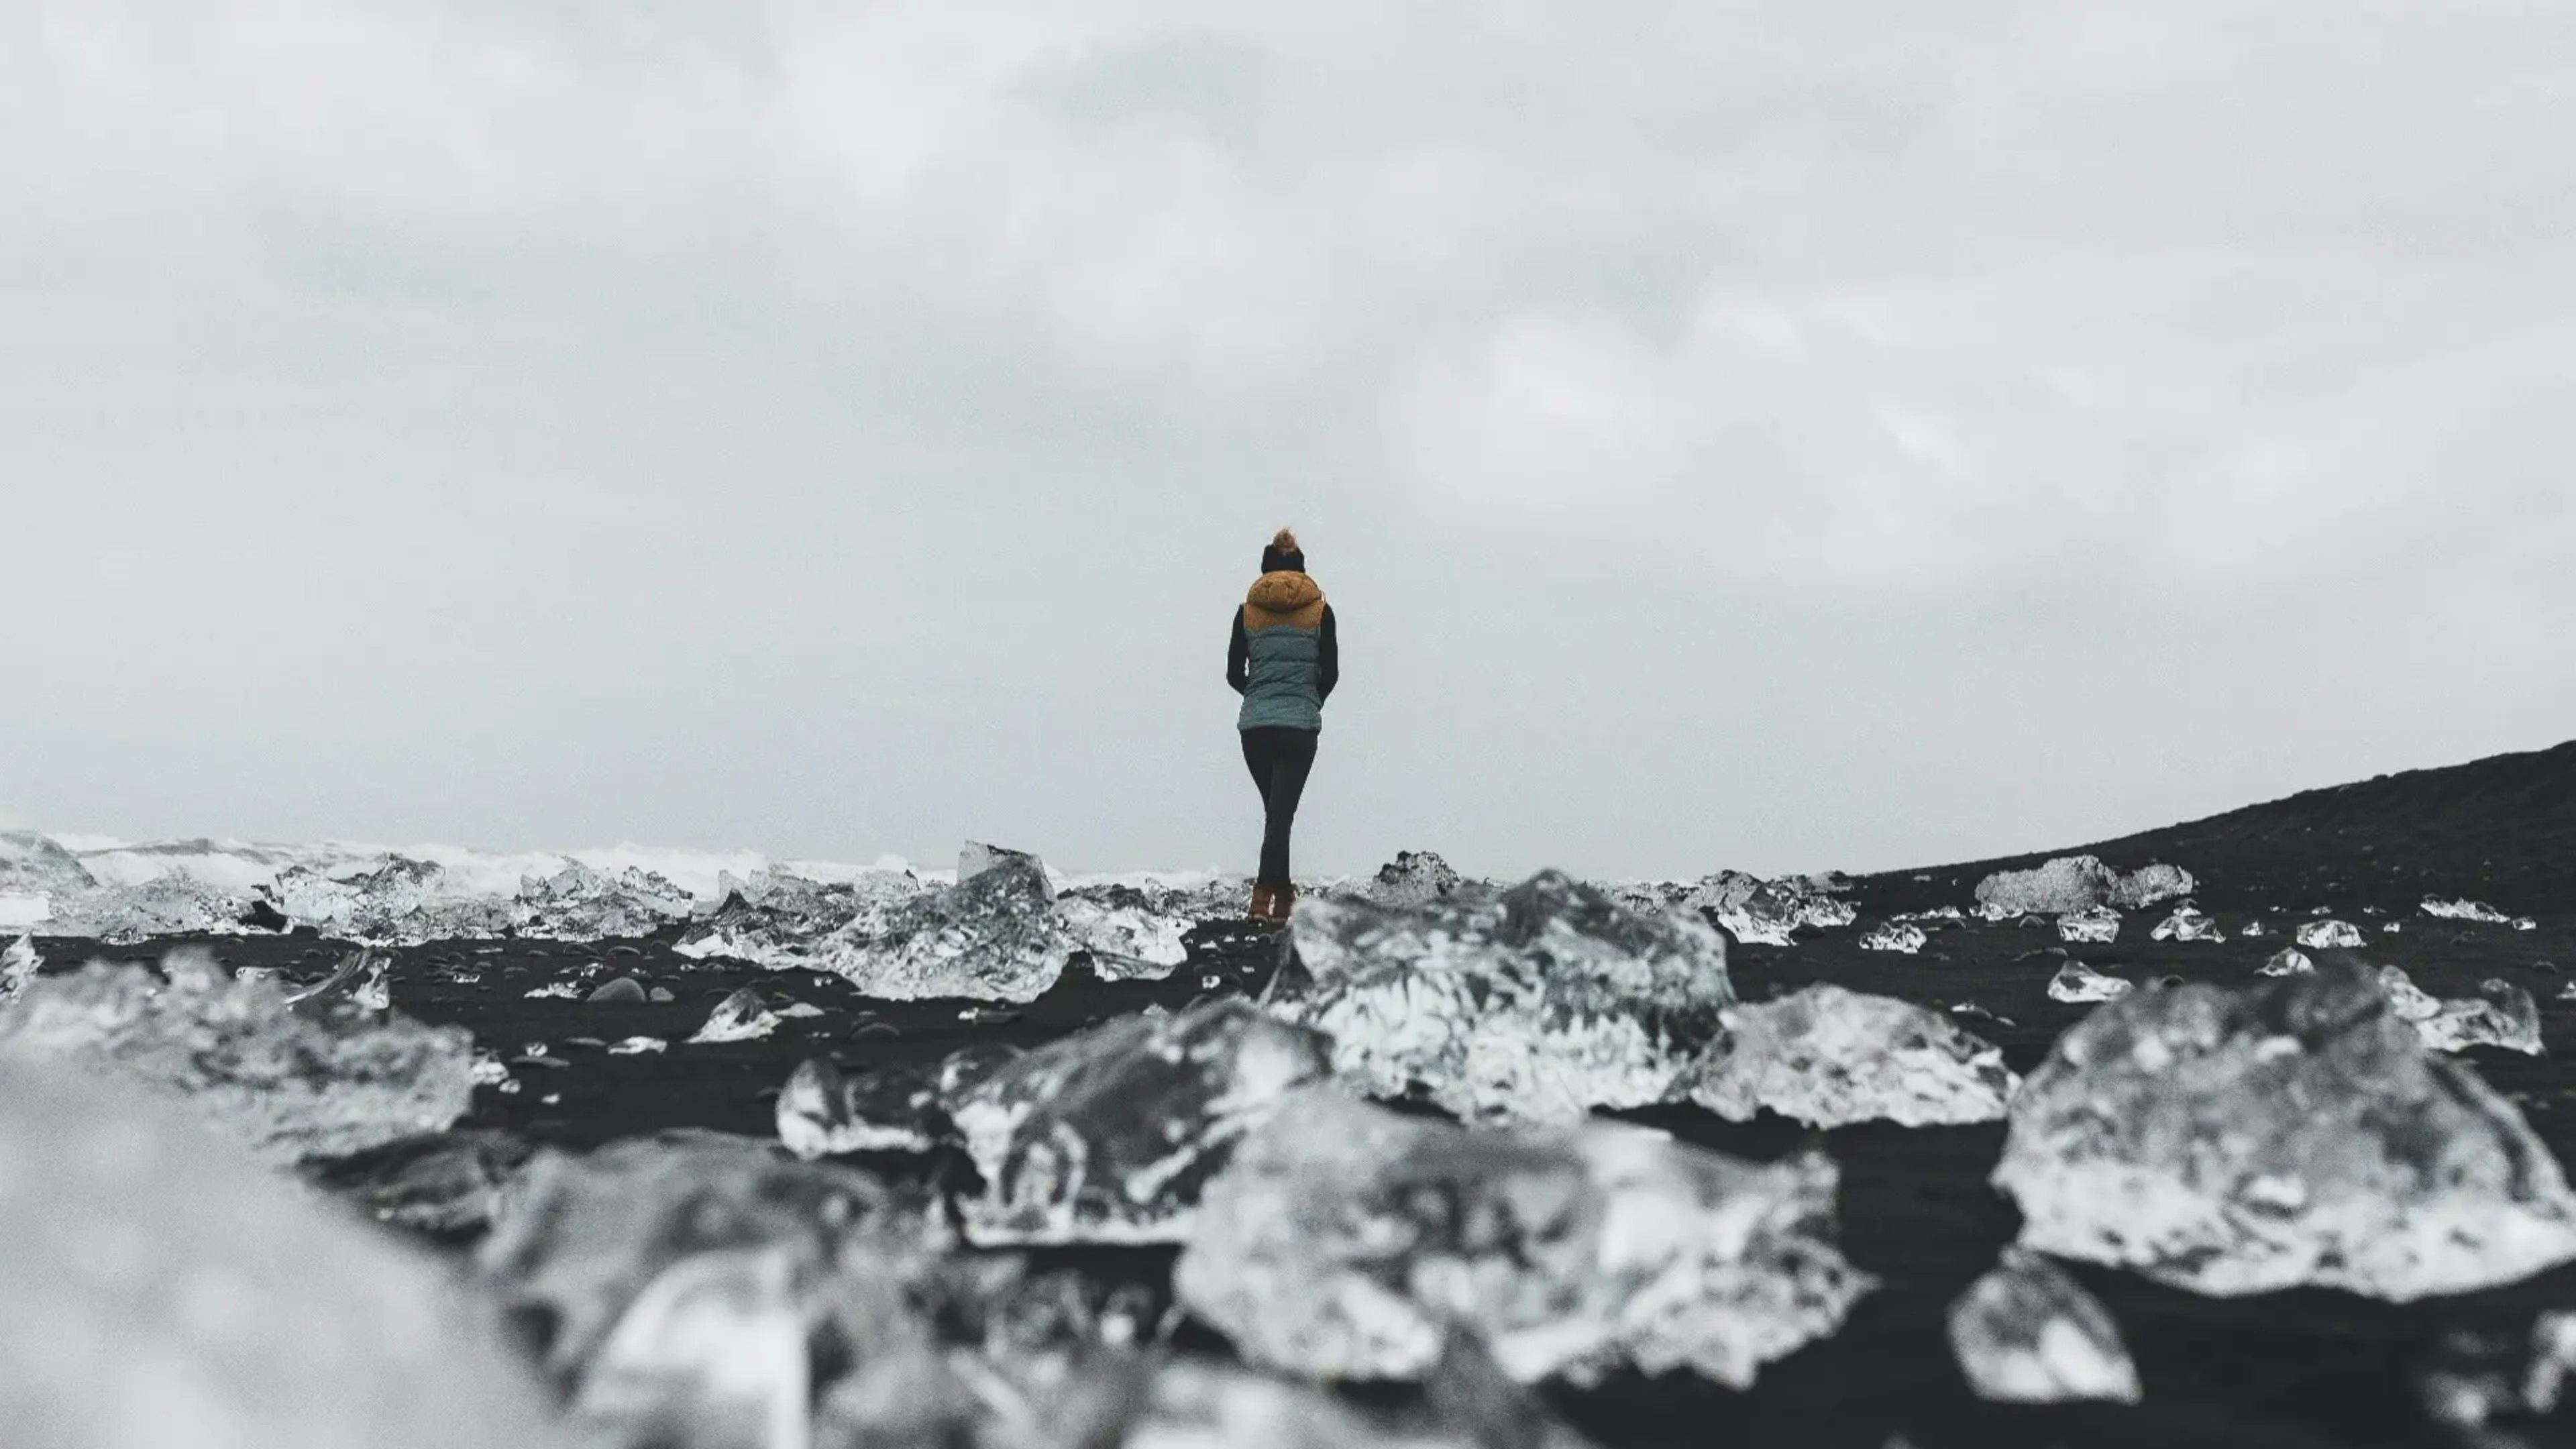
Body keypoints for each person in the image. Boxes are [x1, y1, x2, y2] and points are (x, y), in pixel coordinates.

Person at [1226, 527, 1338, 924]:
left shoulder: (1247, 612)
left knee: (1277, 815)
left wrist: (1258, 698)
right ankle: (1263, 901)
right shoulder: (1321, 612)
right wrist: (1309, 702)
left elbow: (1232, 674)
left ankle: (1284, 900)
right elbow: (1332, 674)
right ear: (1301, 568)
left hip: (1255, 730)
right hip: (1299, 730)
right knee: (1280, 816)